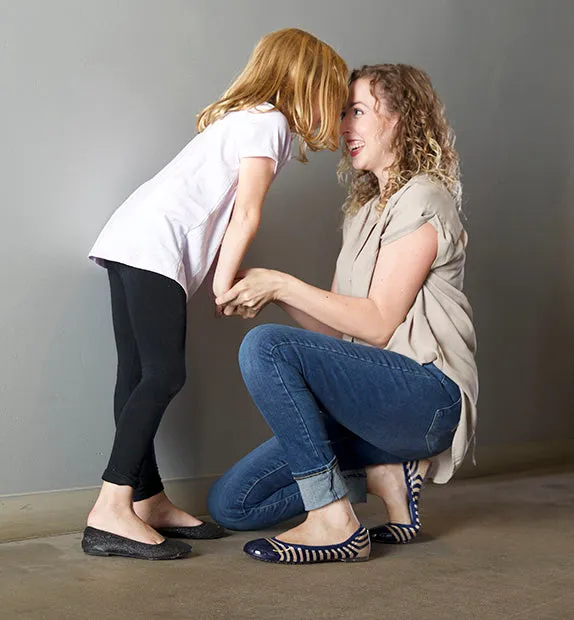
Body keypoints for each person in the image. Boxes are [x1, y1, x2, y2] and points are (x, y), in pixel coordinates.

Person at [82, 28, 348, 560]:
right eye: (334, 94)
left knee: (136, 375)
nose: (336, 109)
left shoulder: (245, 117)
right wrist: (224, 286)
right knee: (163, 374)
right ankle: (111, 508)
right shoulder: (270, 123)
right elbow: (247, 212)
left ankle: (147, 499)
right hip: (152, 243)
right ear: (307, 81)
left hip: (128, 234)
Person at [209, 64, 478, 565]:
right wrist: (274, 292)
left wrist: (283, 282)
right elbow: (335, 328)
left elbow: (377, 324)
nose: (344, 128)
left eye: (358, 112)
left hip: (426, 399)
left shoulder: (423, 197)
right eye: (342, 114)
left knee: (265, 345)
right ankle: (385, 474)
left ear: (400, 118)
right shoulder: (362, 211)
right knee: (233, 504)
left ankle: (333, 520)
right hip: (370, 408)